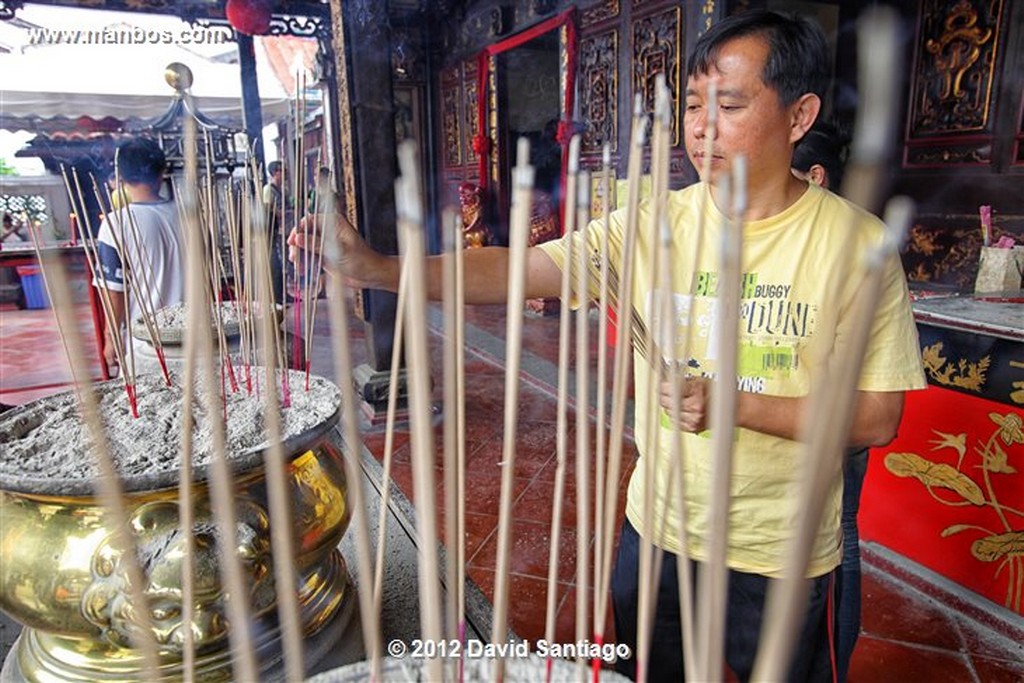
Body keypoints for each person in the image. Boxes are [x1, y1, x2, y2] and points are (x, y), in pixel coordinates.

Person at [290, 10, 925, 682]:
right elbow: (520, 269)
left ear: (799, 118)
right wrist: (383, 269)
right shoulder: (657, 225)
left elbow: (876, 415)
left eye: (730, 105)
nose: (702, 127)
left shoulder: (856, 247)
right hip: (659, 533)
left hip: (782, 552)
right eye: (693, 105)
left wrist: (730, 404)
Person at [793, 119, 865, 683]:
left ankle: (832, 664)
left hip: (829, 431)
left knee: (837, 536)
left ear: (815, 175)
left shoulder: (850, 244)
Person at [94, 137, 185, 371]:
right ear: (162, 171)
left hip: (147, 346)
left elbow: (114, 290)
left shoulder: (116, 223)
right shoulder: (189, 216)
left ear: (120, 177)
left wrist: (111, 338)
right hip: (196, 337)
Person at [263, 160, 287, 303]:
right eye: (282, 171)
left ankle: (282, 296)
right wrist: (279, 213)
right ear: (275, 173)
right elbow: (267, 209)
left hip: (281, 233)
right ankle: (276, 298)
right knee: (275, 266)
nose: (285, 174)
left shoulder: (281, 190)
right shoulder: (268, 190)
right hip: (272, 234)